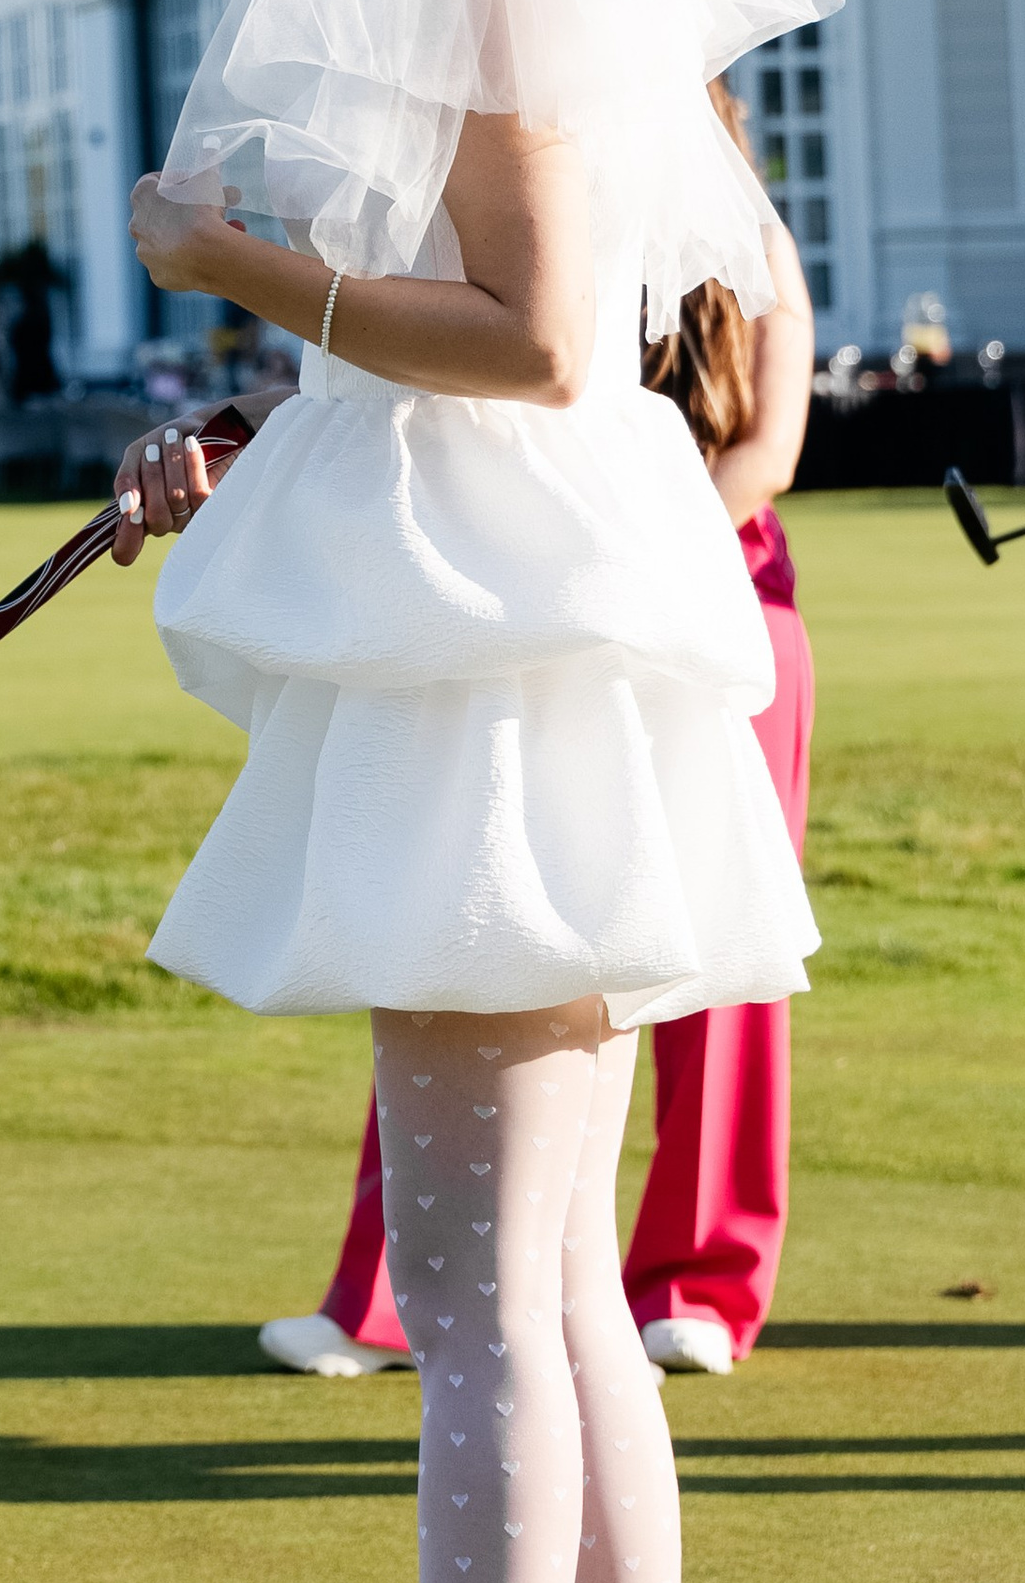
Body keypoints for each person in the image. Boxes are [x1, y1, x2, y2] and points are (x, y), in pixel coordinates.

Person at [117, 0, 826, 1583]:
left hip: (511, 643)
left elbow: (534, 332)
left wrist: (234, 266)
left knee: (487, 1298)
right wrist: (277, 391)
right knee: (534, 1291)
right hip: (511, 608)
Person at [264, 81, 816, 1385]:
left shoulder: (745, 231)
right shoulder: (530, 209)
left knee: (704, 959)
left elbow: (767, 450)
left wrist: (631, 570)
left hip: (714, 603)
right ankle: (387, 1289)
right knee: (463, 935)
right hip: (533, 601)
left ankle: (699, 1280)